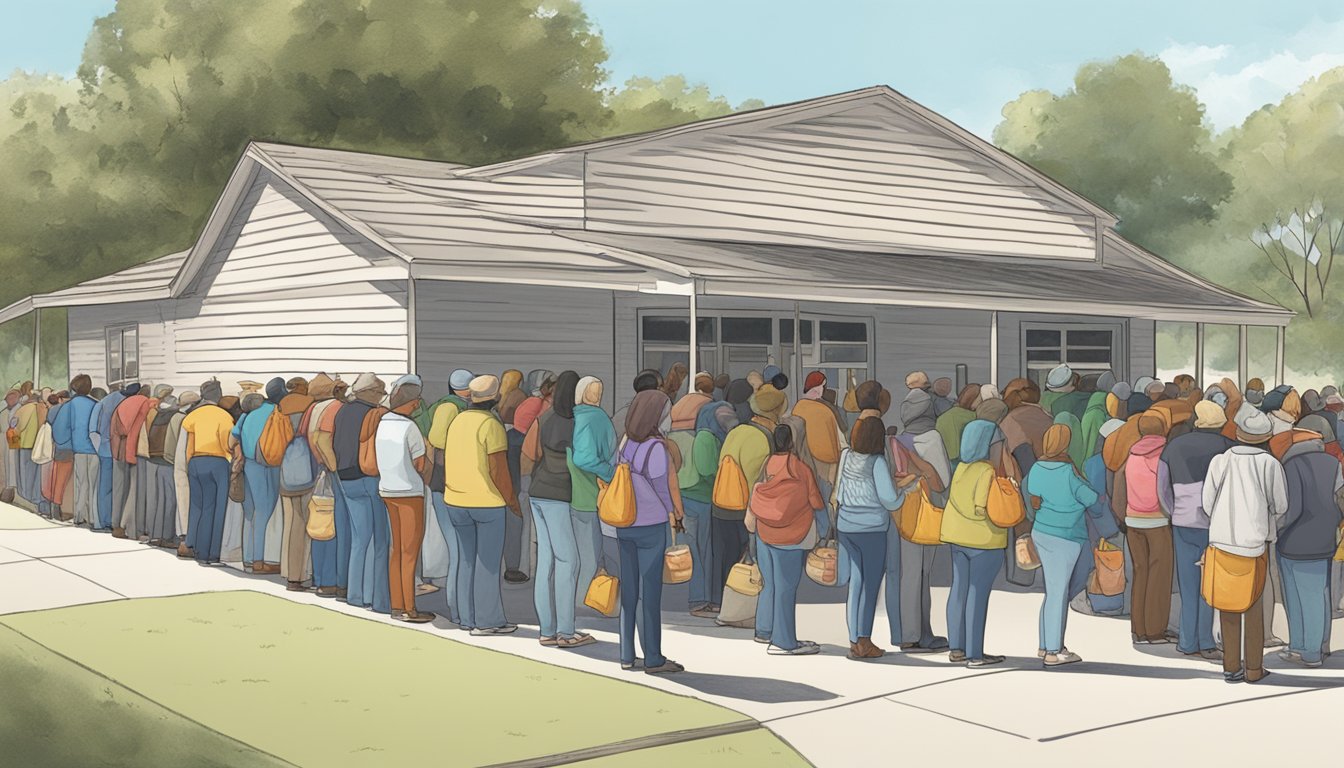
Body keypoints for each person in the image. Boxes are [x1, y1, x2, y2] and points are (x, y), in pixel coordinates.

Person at [1204, 408, 1285, 683]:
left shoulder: (1219, 461)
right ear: (1266, 438)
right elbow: (1281, 505)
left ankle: (1231, 667)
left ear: (1238, 434)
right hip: (1255, 544)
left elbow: (1207, 503)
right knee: (1253, 606)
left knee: (1227, 605)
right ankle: (1253, 669)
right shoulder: (1270, 464)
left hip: (1222, 542)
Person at [444, 374, 520, 636]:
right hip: (486, 503)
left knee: (466, 560)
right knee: (487, 564)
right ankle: (487, 621)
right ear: (495, 398)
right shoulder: (491, 425)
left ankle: (465, 617)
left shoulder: (457, 421)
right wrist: (512, 501)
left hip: (455, 500)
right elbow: (498, 470)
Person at [617, 389, 685, 674]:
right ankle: (653, 657)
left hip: (625, 522)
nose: (669, 417)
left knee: (629, 592)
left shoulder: (625, 443)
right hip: (650, 525)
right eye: (666, 412)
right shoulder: (657, 448)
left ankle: (626, 654)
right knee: (650, 593)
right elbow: (661, 486)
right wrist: (673, 513)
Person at [1157, 400, 1232, 659]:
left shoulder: (1173, 446)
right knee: (1210, 586)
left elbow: (1162, 489)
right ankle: (1207, 642)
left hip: (1182, 521)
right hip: (1215, 525)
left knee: (1188, 584)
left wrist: (1173, 511)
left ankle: (1187, 642)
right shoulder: (1227, 447)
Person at [836, 417, 910, 660]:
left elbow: (839, 490)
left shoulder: (846, 456)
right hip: (872, 528)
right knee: (870, 586)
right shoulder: (876, 462)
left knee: (855, 583)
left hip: (846, 524)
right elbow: (889, 499)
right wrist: (904, 492)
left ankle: (853, 639)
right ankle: (864, 641)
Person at [528, 371, 593, 647]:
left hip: (538, 492)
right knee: (569, 561)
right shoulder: (578, 421)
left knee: (546, 562)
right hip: (560, 494)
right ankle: (566, 632)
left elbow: (531, 454)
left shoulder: (543, 418)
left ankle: (546, 629)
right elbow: (583, 459)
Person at [747, 424, 824, 655]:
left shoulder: (766, 465)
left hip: (764, 532)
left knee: (769, 584)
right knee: (786, 588)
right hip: (791, 536)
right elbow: (816, 501)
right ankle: (784, 642)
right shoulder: (801, 469)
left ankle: (764, 630)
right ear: (792, 442)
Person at [1025, 424, 1098, 666]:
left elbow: (1033, 492)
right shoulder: (1068, 472)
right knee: (1058, 593)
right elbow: (1091, 498)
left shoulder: (1037, 467)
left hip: (1042, 532)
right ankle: (1054, 651)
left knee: (1052, 591)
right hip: (1066, 536)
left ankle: (1045, 644)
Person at [942, 419, 1009, 667]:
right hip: (983, 541)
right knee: (977, 595)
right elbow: (981, 508)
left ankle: (956, 648)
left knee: (958, 590)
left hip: (956, 537)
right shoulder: (986, 470)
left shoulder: (961, 467)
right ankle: (975, 654)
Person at [1275, 422, 1342, 668]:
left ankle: (1306, 649)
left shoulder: (1291, 466)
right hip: (1325, 536)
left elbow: (1291, 509)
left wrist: (1276, 528)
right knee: (1318, 594)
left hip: (1295, 539)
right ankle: (1319, 645)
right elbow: (1339, 498)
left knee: (1296, 596)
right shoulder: (1333, 464)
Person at [712, 384, 783, 613]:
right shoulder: (762, 437)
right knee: (751, 561)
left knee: (727, 558)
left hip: (721, 504)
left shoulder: (737, 431)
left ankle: (727, 604)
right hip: (745, 509)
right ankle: (747, 610)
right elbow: (758, 482)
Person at [895, 381, 952, 652]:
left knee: (908, 574)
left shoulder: (897, 439)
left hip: (903, 511)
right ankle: (923, 634)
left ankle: (908, 633)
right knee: (922, 574)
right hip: (925, 509)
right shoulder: (932, 438)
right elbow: (942, 480)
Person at [375, 375, 435, 623]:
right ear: (411, 402)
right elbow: (421, 464)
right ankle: (410, 608)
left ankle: (397, 604)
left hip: (388, 490)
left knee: (396, 551)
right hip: (410, 491)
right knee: (410, 552)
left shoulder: (382, 423)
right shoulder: (409, 427)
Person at [1110, 413, 1173, 645]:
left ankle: (1138, 629)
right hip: (1157, 522)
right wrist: (1170, 513)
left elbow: (1118, 492)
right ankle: (1155, 631)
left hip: (1133, 522)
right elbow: (1166, 491)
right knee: (1159, 575)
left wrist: (1123, 517)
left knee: (1140, 573)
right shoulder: (1163, 456)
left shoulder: (1131, 456)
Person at [334, 373, 392, 613]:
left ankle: (355, 595)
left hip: (346, 478)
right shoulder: (376, 414)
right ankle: (377, 599)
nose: (381, 395)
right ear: (369, 392)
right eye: (379, 391)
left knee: (359, 540)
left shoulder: (342, 412)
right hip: (370, 477)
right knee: (380, 541)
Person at [669, 376, 721, 615]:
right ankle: (700, 600)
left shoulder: (677, 416)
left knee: (689, 547)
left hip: (680, 490)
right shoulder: (705, 420)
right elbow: (706, 467)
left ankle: (696, 598)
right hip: (700, 493)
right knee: (703, 548)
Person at [568, 375, 616, 611]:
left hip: (569, 492)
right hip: (589, 493)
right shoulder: (596, 418)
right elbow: (585, 458)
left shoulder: (573, 416)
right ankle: (585, 605)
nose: (597, 395)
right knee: (590, 554)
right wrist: (610, 472)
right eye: (595, 391)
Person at [233, 379, 284, 575]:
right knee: (264, 510)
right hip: (268, 464)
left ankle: (247, 558)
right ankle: (258, 561)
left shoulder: (247, 415)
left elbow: (232, 438)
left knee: (250, 512)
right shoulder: (276, 412)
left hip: (248, 464)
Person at [181, 379, 233, 565]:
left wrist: (190, 465)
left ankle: (198, 549)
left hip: (195, 462)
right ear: (217, 395)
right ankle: (212, 553)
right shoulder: (224, 416)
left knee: (200, 507)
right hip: (217, 462)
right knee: (217, 509)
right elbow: (227, 443)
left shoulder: (193, 416)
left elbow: (189, 445)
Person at [305, 374, 346, 599]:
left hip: (318, 469)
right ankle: (329, 581)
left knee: (319, 523)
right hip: (330, 470)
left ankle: (319, 577)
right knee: (331, 525)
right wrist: (332, 465)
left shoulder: (312, 409)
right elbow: (320, 439)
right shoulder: (334, 408)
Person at [277, 377, 315, 590]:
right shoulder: (309, 404)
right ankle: (304, 574)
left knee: (292, 525)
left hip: (286, 469)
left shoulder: (280, 407)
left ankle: (291, 574)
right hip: (307, 469)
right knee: (308, 524)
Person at [497, 368, 530, 585]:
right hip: (515, 458)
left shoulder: (495, 403)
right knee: (515, 519)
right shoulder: (521, 398)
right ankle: (513, 566)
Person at [55, 375, 98, 527]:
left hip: (78, 450)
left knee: (81, 483)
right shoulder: (96, 404)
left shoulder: (69, 406)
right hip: (95, 450)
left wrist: (66, 443)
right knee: (94, 485)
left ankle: (79, 516)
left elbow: (59, 430)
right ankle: (93, 517)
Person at [109, 383, 150, 538]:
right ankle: (130, 527)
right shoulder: (144, 403)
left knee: (119, 489)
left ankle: (116, 524)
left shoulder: (124, 403)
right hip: (134, 449)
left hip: (119, 448)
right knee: (135, 489)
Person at [143, 395, 179, 546]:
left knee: (157, 500)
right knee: (170, 501)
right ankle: (168, 535)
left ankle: (155, 534)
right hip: (168, 462)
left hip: (153, 460)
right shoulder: (174, 417)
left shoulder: (156, 415)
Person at [935, 385, 980, 467]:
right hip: (965, 463)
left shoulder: (943, 417)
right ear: (973, 399)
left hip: (944, 461)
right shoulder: (973, 417)